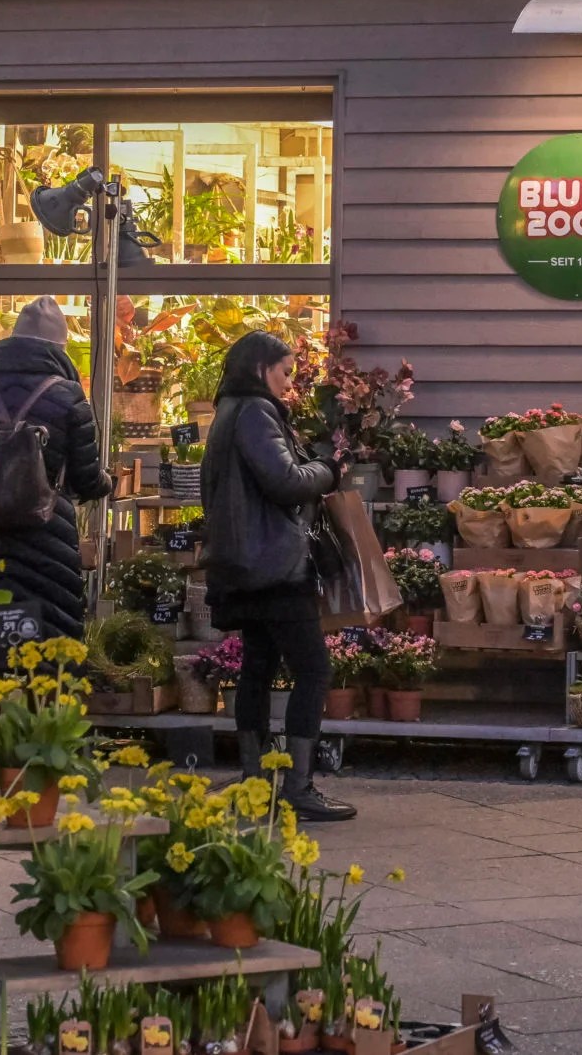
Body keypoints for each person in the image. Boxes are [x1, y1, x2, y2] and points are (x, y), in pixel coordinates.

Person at [201, 330, 353, 822]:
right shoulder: (255, 412)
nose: (289, 384)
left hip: (245, 562)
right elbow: (285, 481)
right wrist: (327, 470)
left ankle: (254, 782)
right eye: (285, 373)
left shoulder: (227, 413)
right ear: (260, 369)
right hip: (274, 566)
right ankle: (298, 788)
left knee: (259, 667)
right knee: (312, 668)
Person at [0, 298, 110, 642]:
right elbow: (86, 478)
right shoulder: (69, 396)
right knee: (47, 639)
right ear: (60, 349)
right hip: (47, 538)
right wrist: (106, 482)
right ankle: (41, 695)